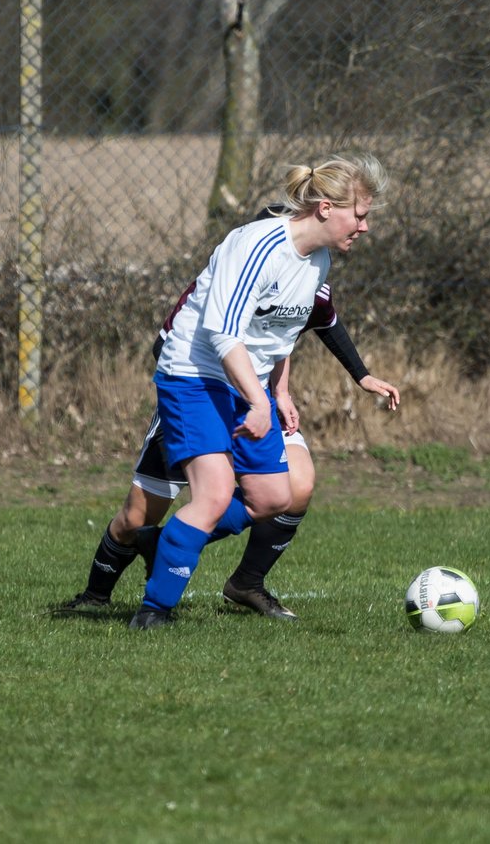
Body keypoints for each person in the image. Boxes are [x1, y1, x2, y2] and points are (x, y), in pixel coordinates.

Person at [127, 153, 389, 629]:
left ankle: (165, 541)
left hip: (243, 380)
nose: (365, 227)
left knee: (273, 497)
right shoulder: (257, 245)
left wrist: (277, 394)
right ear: (326, 208)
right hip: (195, 371)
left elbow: (276, 337)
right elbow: (222, 333)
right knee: (213, 494)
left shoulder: (319, 260)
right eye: (361, 215)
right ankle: (153, 612)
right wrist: (256, 400)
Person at [58, 265, 399, 621]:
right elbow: (164, 346)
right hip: (201, 397)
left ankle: (244, 582)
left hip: (261, 404)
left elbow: (319, 324)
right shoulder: (222, 284)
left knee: (295, 486)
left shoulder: (308, 282)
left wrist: (355, 377)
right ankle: (96, 595)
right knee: (138, 516)